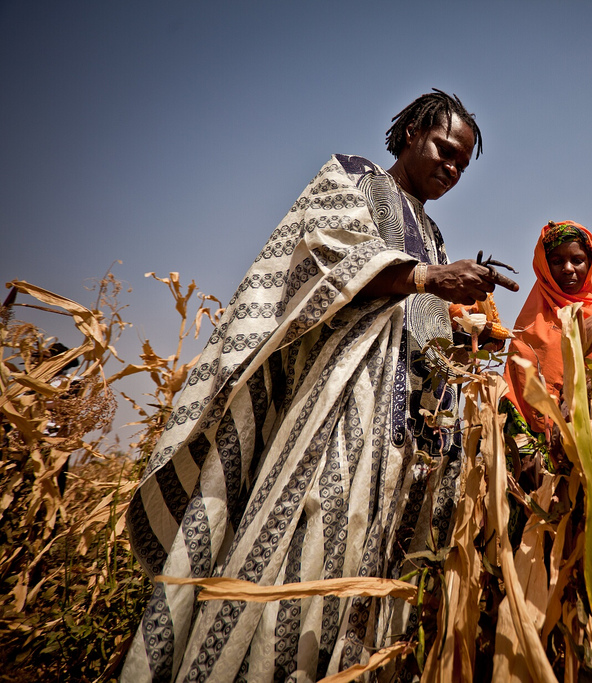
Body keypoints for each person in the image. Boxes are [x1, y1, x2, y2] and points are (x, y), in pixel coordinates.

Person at [122, 89, 518, 682]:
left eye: (462, 163)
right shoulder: (352, 180)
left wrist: (466, 340)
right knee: (306, 543)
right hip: (334, 415)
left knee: (367, 568)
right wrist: (429, 276)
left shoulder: (431, 232)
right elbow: (327, 261)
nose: (451, 168)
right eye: (444, 149)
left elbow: (414, 319)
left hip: (399, 438)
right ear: (411, 132)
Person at [503, 220, 592, 434]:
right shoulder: (530, 322)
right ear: (544, 267)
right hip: (543, 449)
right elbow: (517, 391)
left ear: (590, 264)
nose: (568, 269)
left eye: (577, 260)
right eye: (556, 261)